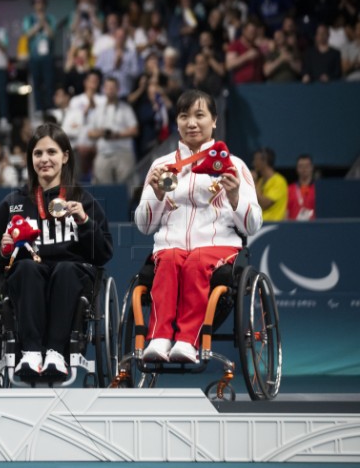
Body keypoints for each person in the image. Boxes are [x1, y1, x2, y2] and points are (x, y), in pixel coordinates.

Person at [136, 90, 262, 363]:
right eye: (184, 116)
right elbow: (144, 225)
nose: (191, 123)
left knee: (196, 262)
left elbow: (253, 224)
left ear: (214, 120)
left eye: (199, 115)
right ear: (177, 122)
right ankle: (158, 338)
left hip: (217, 247)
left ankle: (186, 341)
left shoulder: (234, 165)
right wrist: (155, 195)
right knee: (169, 259)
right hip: (170, 247)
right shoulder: (161, 166)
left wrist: (235, 197)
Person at [0, 123, 113, 377]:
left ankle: (56, 353)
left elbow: (103, 254)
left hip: (71, 277)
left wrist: (84, 222)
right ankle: (29, 352)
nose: (44, 159)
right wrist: (4, 253)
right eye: (38, 154)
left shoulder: (82, 201)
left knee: (65, 269)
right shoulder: (15, 202)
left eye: (51, 152)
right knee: (27, 267)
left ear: (65, 156)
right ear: (30, 159)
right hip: (28, 276)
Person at [87, 77, 139, 185]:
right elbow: (90, 133)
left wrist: (117, 135)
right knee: (103, 189)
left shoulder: (126, 108)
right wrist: (102, 133)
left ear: (118, 89)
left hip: (123, 152)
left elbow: (135, 130)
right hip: (103, 153)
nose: (110, 90)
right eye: (108, 87)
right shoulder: (98, 110)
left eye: (113, 87)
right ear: (103, 89)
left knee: (126, 188)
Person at [23, 0, 57, 115]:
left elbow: (53, 35)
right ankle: (38, 109)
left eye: (42, 2)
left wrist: (45, 22)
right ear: (34, 5)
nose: (39, 5)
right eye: (37, 3)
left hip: (47, 56)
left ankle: (49, 108)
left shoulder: (50, 18)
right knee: (36, 84)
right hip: (34, 57)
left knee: (49, 83)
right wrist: (38, 24)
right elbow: (27, 35)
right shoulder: (29, 19)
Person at [252, 146, 288, 222]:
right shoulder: (260, 181)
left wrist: (253, 183)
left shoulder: (279, 181)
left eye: (256, 160)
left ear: (264, 161)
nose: (253, 163)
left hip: (273, 227)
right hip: (260, 225)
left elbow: (264, 204)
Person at [288, 154, 317, 221]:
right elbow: (286, 212)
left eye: (307, 166)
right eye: (301, 166)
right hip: (294, 228)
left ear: (312, 167)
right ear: (297, 169)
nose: (304, 169)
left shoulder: (318, 189)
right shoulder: (290, 189)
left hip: (314, 227)